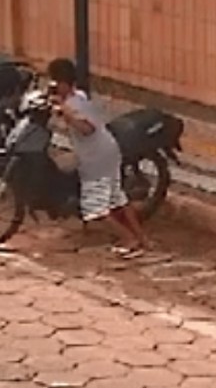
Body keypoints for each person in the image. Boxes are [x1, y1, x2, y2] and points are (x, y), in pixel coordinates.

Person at [47, 58, 151, 258]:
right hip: (107, 152)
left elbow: (87, 128)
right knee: (117, 199)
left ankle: (129, 239)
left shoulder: (73, 104)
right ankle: (142, 238)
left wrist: (65, 112)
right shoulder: (79, 96)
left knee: (96, 209)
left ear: (62, 83)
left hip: (96, 158)